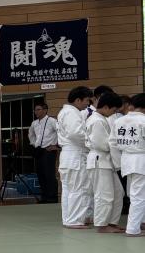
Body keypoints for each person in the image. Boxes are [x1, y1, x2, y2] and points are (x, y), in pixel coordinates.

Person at [86, 92, 125, 234]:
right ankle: (102, 225)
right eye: (114, 110)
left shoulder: (102, 119)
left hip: (107, 161)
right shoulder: (97, 121)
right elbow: (102, 144)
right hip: (99, 160)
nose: (114, 113)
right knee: (104, 194)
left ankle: (112, 222)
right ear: (106, 107)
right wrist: (119, 145)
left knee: (118, 192)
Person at [56, 86, 93, 229]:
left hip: (68, 155)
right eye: (86, 101)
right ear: (78, 100)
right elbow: (75, 133)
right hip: (75, 154)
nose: (87, 104)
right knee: (79, 188)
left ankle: (69, 219)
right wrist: (92, 140)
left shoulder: (65, 112)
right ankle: (75, 220)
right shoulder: (72, 113)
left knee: (69, 190)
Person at [109, 93, 145, 237]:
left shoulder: (119, 121)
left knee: (134, 194)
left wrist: (119, 163)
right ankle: (133, 229)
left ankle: (140, 222)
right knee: (138, 196)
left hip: (126, 160)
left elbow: (112, 143)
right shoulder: (143, 120)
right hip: (140, 160)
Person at [28, 101, 59, 204]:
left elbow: (61, 132)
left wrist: (56, 145)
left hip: (49, 150)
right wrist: (34, 144)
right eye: (35, 110)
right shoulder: (34, 123)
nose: (36, 112)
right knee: (40, 174)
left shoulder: (52, 121)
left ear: (45, 110)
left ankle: (52, 197)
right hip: (39, 150)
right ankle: (44, 196)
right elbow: (31, 134)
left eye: (38, 109)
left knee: (49, 174)